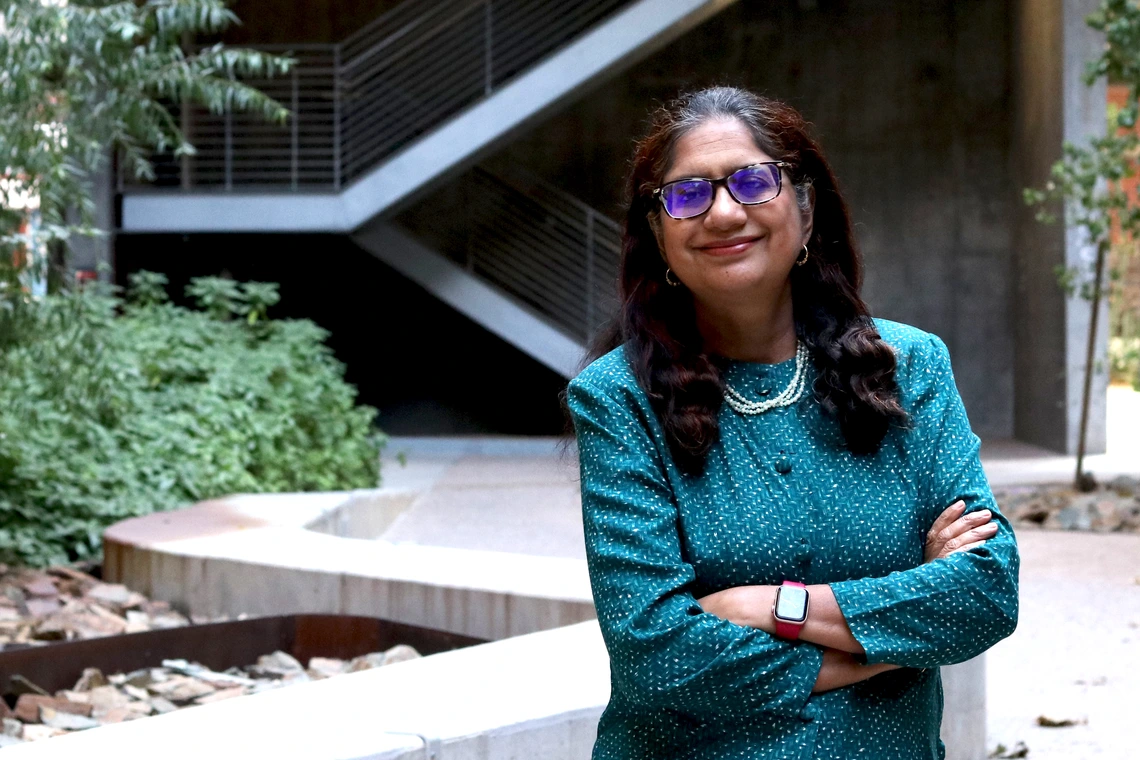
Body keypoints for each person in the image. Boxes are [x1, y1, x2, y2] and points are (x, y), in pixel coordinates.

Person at [565, 86, 1019, 760]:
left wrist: (778, 608)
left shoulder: (911, 368)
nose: (723, 212)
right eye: (687, 195)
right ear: (659, 235)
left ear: (806, 212)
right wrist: (889, 644)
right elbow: (656, 655)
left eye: (753, 182)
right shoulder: (616, 399)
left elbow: (985, 591)